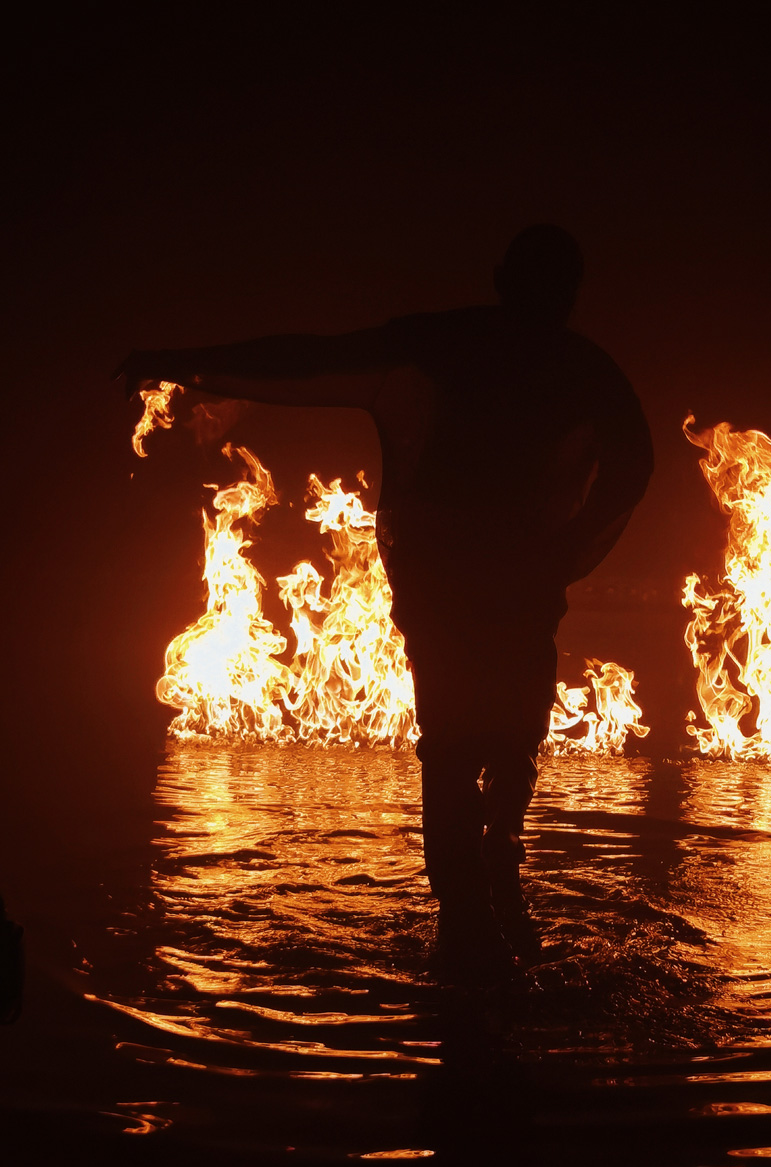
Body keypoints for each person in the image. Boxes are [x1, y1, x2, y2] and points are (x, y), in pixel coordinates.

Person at [118, 225, 654, 982]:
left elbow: (308, 357)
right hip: (508, 585)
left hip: (458, 583)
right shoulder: (580, 369)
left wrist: (184, 362)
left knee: (463, 748)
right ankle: (490, 898)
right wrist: (565, 551)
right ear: (567, 292)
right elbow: (634, 469)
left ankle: (474, 914)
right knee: (501, 741)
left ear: (503, 277)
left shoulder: (453, 349)